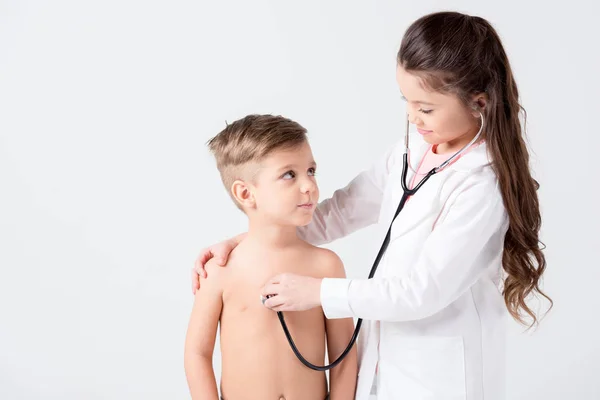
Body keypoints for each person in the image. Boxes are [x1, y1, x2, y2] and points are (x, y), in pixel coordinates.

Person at [192, 11, 552, 400]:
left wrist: (320, 293)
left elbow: (423, 291)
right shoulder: (411, 151)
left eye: (426, 108)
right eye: (407, 101)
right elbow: (339, 211)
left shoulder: (481, 184)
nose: (413, 117)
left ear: (478, 103)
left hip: (440, 375)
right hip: (382, 363)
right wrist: (246, 242)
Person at [184, 114, 357, 400]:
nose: (309, 186)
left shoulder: (326, 265)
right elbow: (197, 353)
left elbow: (344, 353)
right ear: (245, 193)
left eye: (311, 171)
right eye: (289, 174)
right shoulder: (220, 270)